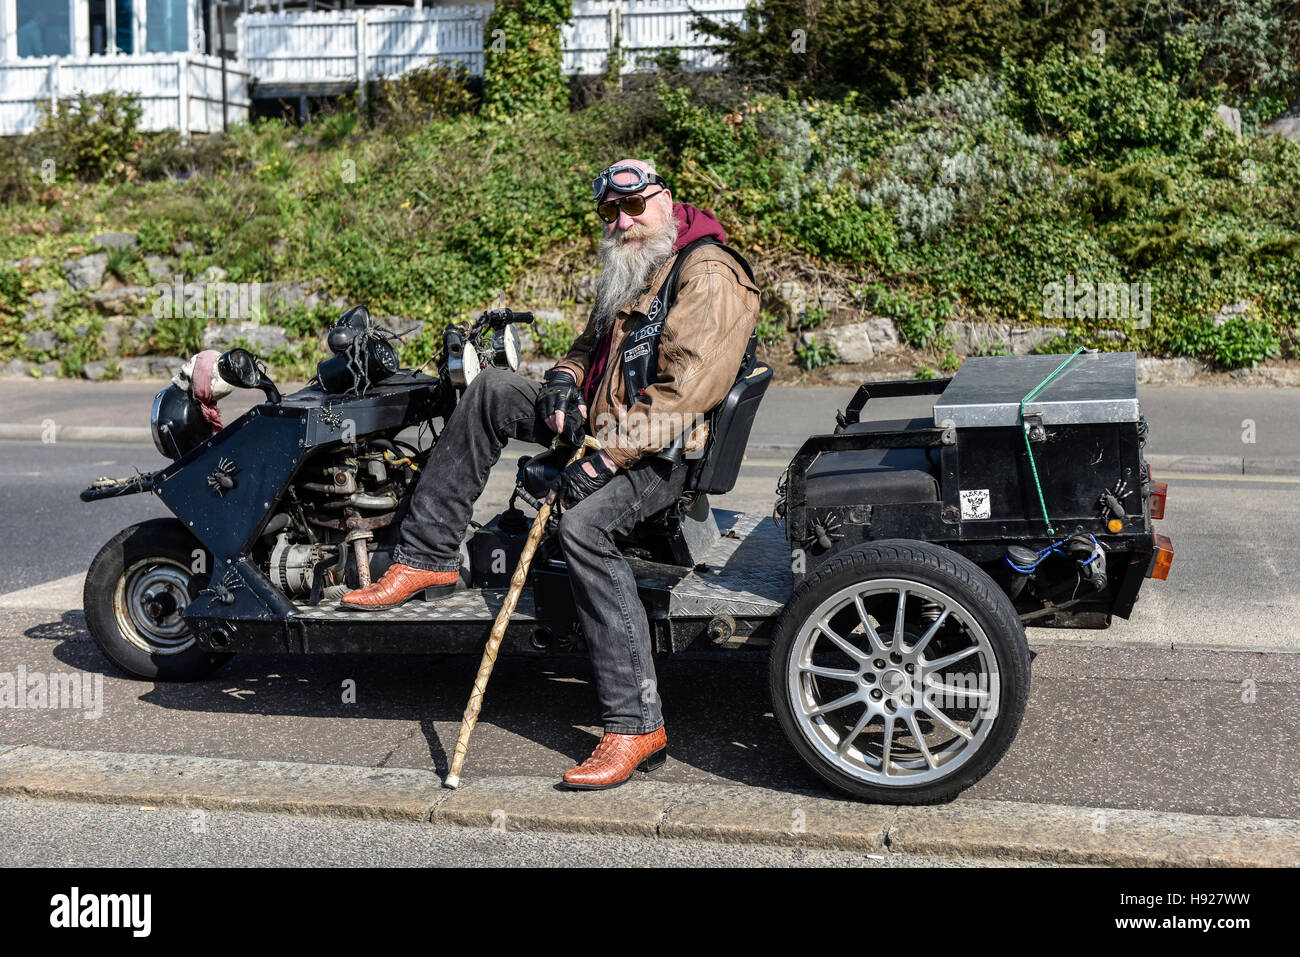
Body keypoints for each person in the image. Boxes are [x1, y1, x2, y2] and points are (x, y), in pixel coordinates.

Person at [341, 159, 760, 789]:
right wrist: (564, 382)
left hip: (662, 452)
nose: (623, 222)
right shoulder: (635, 260)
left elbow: (683, 394)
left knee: (585, 528)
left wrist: (601, 460)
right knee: (491, 391)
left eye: (634, 207)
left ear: (665, 201)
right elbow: (592, 346)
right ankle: (426, 555)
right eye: (610, 213)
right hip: (603, 422)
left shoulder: (708, 274)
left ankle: (635, 723)